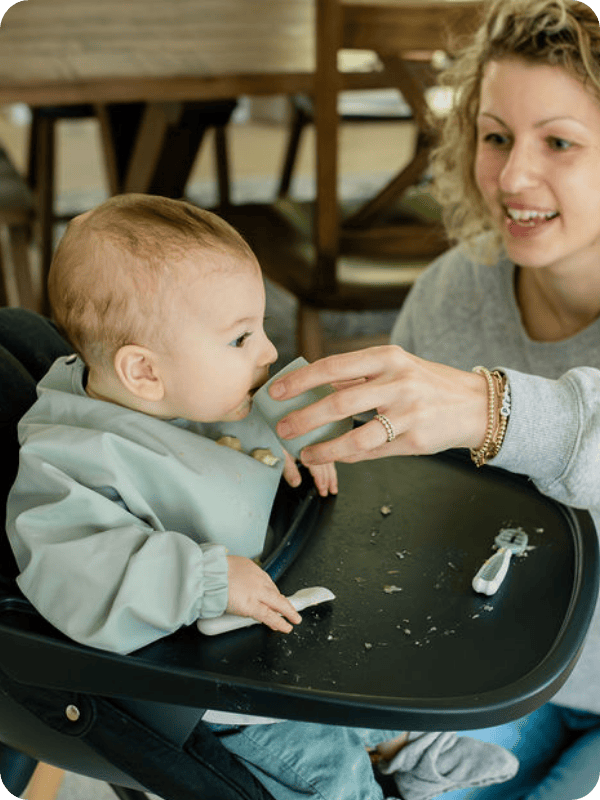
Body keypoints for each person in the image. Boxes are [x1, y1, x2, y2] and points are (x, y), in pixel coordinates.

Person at [5, 194, 517, 800]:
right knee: (327, 768)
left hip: (270, 613)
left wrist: (304, 436)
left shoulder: (187, 388)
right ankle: (368, 783)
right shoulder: (71, 460)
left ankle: (408, 746)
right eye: (241, 338)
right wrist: (207, 580)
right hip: (203, 684)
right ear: (143, 372)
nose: (267, 351)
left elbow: (264, 401)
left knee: (369, 666)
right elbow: (81, 573)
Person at [265, 1, 600, 798]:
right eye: (494, 136)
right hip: (505, 668)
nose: (513, 177)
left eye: (559, 142)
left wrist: (493, 410)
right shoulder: (456, 292)